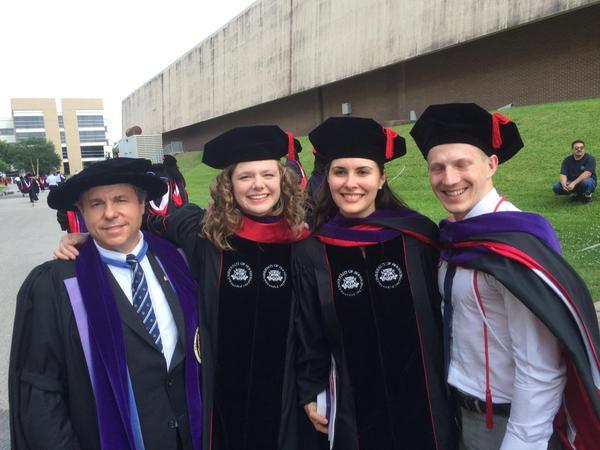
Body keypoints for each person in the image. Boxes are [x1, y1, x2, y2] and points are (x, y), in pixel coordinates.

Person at [55, 127, 324, 450]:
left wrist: (311, 388)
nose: (258, 185)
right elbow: (145, 224)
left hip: (284, 395)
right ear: (229, 185)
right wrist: (91, 237)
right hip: (218, 395)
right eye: (245, 176)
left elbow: (313, 326)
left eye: (268, 174)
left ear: (282, 180)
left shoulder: (302, 244)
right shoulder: (203, 232)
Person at [410, 103, 600, 450]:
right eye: (437, 168)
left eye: (461, 164)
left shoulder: (515, 243)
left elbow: (542, 367)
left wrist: (521, 442)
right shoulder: (453, 237)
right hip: (458, 414)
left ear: (491, 164)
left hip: (508, 423)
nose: (449, 179)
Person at [9, 158, 202, 450]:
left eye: (121, 200)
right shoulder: (54, 286)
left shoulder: (179, 261)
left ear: (141, 205)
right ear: (83, 213)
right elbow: (41, 395)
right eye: (96, 204)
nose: (110, 213)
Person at [294, 117, 457, 450]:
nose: (350, 183)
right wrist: (311, 389)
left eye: (363, 172)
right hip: (355, 408)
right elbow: (310, 331)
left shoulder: (418, 237)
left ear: (381, 178)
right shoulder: (313, 250)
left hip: (426, 400)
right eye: (340, 172)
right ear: (327, 177)